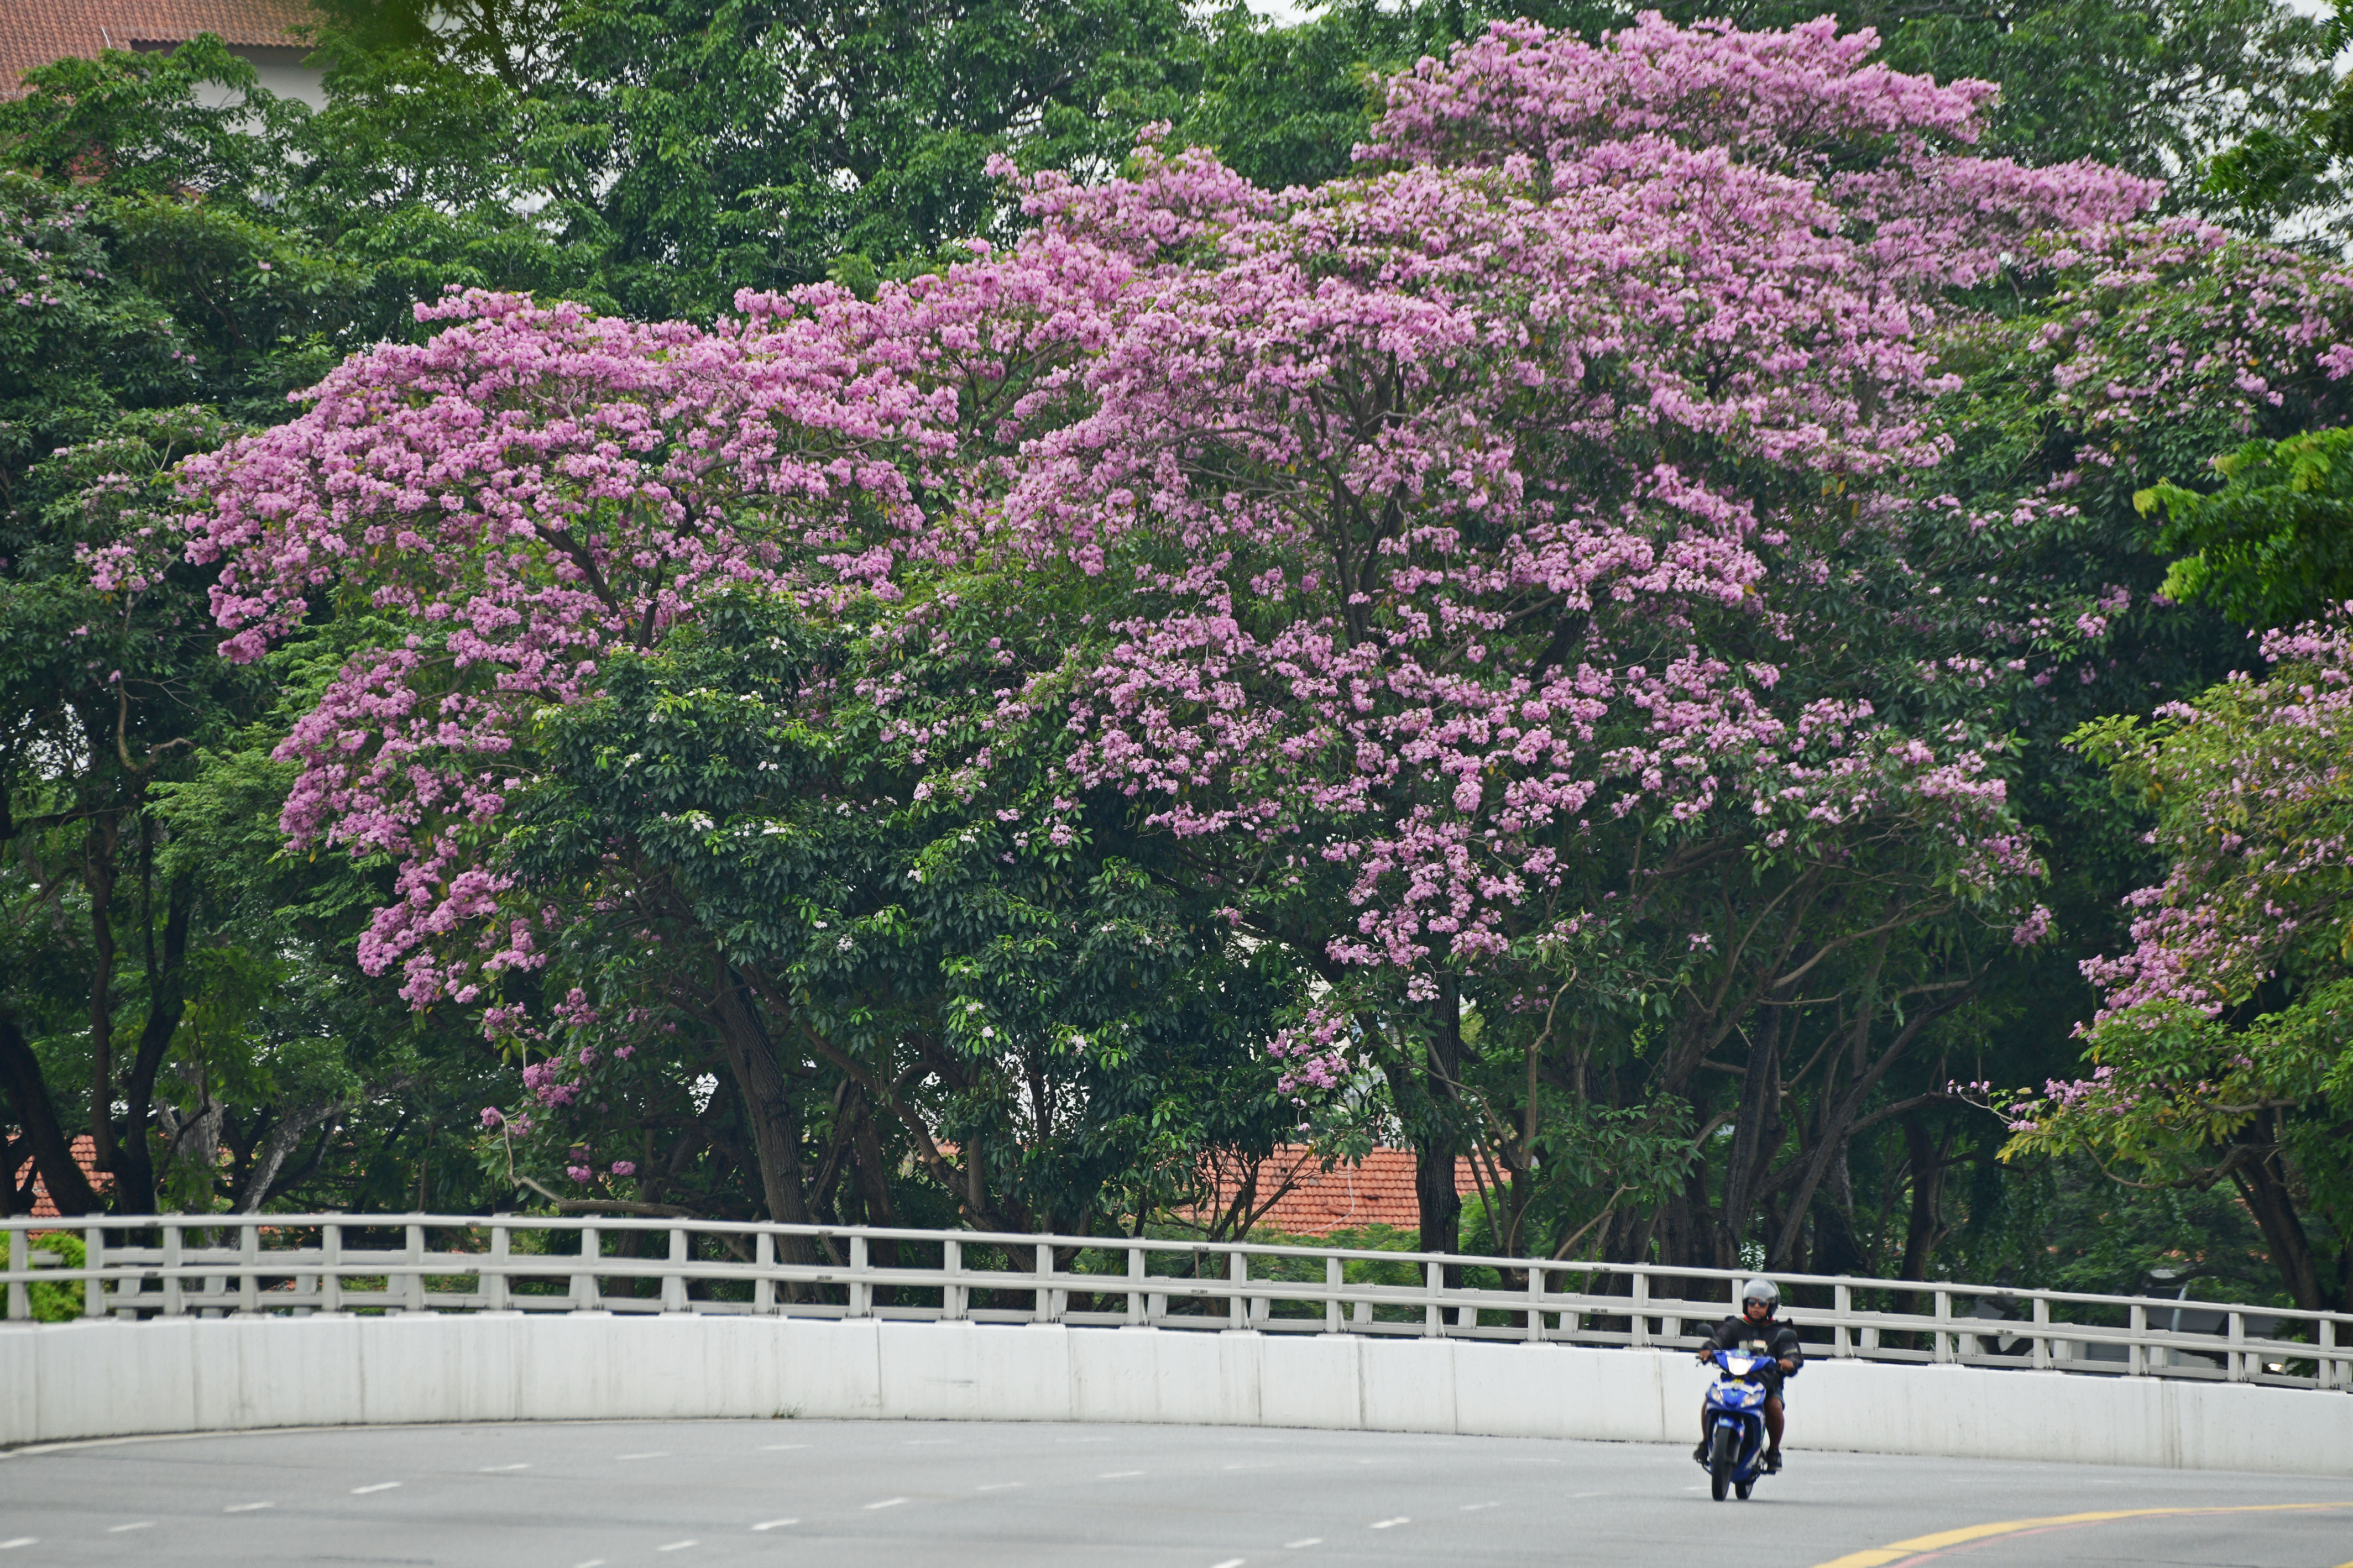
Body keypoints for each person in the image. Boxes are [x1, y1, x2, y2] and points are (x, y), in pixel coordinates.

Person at [1693, 1277, 1802, 1473]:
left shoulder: (1780, 1331)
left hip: (1767, 1383)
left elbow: (1792, 1353)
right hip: (1733, 1379)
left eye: (1762, 1303)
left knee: (1774, 1406)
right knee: (1710, 1399)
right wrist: (1708, 1350)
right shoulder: (1735, 1325)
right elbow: (1718, 1340)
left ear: (1771, 1306)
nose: (1756, 1307)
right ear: (1746, 1304)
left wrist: (1789, 1362)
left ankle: (1774, 1451)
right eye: (1752, 1302)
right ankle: (1705, 1442)